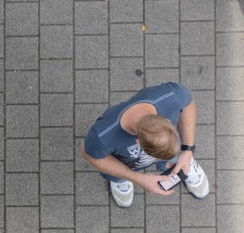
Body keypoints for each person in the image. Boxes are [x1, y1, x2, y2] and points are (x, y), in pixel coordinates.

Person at [80, 82, 209, 207]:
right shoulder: (103, 135)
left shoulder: (171, 95)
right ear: (139, 144)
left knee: (176, 155)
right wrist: (138, 178)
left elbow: (188, 102)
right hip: (125, 161)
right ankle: (122, 179)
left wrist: (187, 149)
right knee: (117, 173)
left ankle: (185, 161)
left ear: (167, 121)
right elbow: (88, 154)